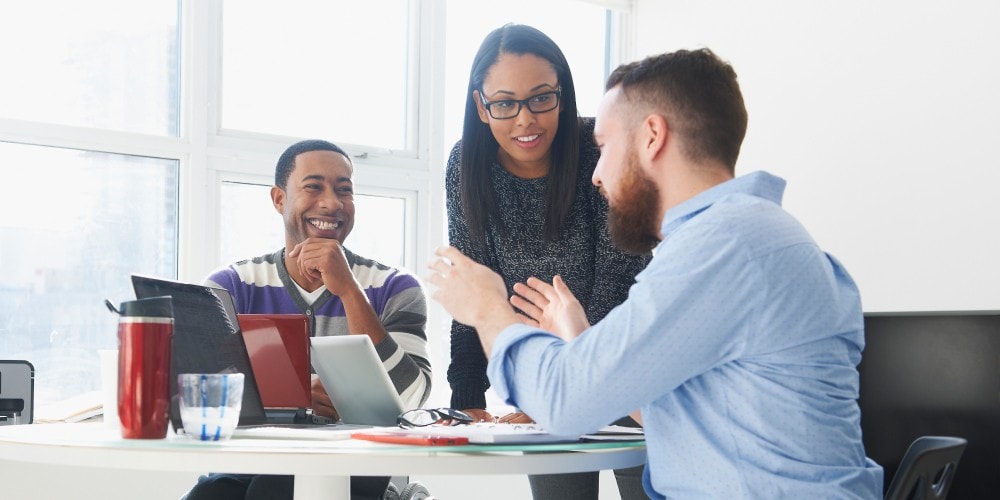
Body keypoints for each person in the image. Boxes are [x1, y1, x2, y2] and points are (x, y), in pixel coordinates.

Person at [428, 49, 885, 498]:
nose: (596, 174)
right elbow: (693, 410)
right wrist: (584, 341)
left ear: (651, 136)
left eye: (604, 148)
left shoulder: (720, 248)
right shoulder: (754, 236)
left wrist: (490, 310)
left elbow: (564, 406)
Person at [445, 23, 651, 499]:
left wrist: (566, 369)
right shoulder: (465, 166)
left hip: (623, 362)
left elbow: (621, 280)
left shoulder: (596, 151)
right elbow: (474, 289)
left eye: (541, 99)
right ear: (481, 105)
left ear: (563, 93)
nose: (525, 120)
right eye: (504, 103)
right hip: (547, 382)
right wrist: (467, 399)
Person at [184, 139, 432, 500]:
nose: (331, 203)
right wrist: (292, 404)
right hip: (250, 466)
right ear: (279, 199)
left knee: (280, 489)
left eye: (344, 190)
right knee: (209, 494)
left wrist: (349, 290)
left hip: (362, 471)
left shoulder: (395, 288)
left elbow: (413, 399)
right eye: (313, 187)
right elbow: (197, 397)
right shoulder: (231, 287)